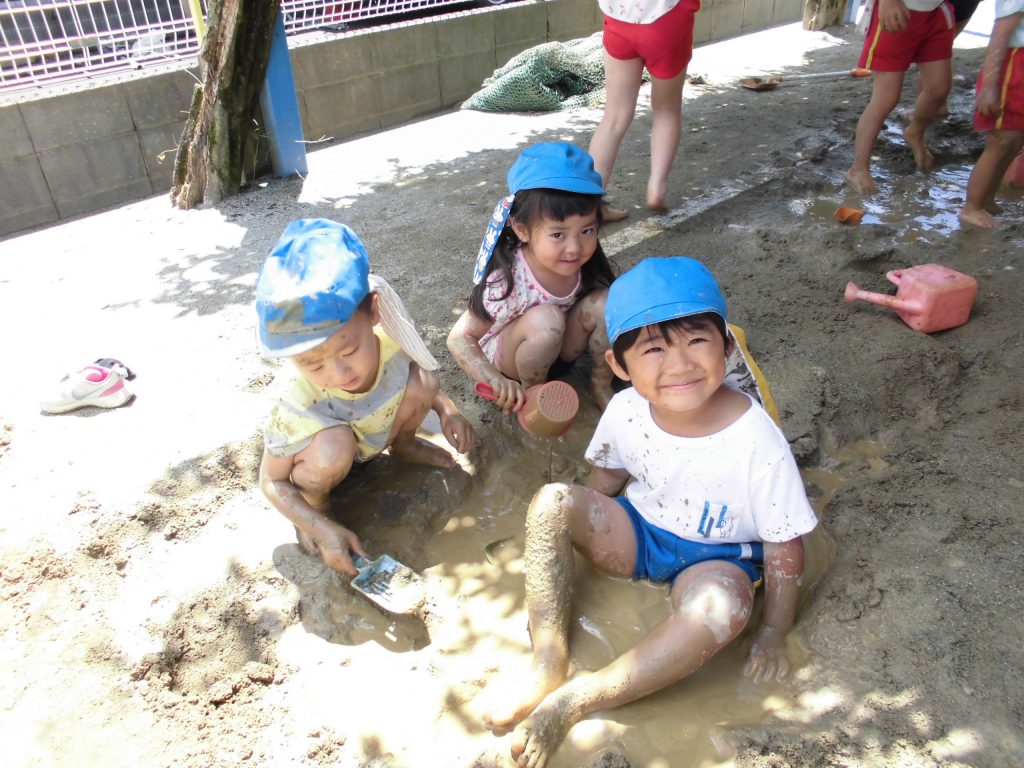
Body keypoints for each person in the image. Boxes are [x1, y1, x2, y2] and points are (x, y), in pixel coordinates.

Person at [478, 257, 818, 768]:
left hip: (717, 559)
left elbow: (785, 544)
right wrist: (580, 530)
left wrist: (774, 631)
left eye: (696, 341)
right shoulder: (625, 410)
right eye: (653, 349)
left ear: (726, 347)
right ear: (619, 366)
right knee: (552, 500)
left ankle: (581, 697)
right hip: (641, 530)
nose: (678, 364)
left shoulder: (756, 439)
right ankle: (549, 658)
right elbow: (608, 479)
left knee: (722, 609)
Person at [256, 219, 476, 576]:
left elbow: (422, 377)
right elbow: (271, 480)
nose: (339, 374)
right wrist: (319, 526)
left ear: (373, 311)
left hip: (378, 430)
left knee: (421, 381)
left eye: (348, 350)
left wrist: (448, 411)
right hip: (329, 455)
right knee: (332, 449)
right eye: (313, 364)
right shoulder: (298, 402)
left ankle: (403, 447)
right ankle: (321, 508)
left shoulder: (392, 336)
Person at [447, 142, 618, 411]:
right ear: (521, 229)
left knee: (608, 302)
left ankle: (600, 383)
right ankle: (533, 400)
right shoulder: (506, 280)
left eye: (587, 231)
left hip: (558, 348)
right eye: (558, 234)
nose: (574, 247)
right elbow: (458, 338)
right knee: (546, 318)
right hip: (514, 360)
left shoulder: (584, 262)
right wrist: (493, 379)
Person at [587, 0, 702, 218]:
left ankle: (591, 203)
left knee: (613, 117)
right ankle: (656, 187)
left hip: (619, 19)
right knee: (666, 109)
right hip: (667, 19)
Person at [846, 0, 956, 194]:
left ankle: (915, 131)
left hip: (935, 11)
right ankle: (858, 168)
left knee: (939, 88)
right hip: (897, 10)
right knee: (886, 98)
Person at [959, 0, 1024, 228]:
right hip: (1013, 67)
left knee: (1014, 141)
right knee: (1000, 141)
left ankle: (987, 199)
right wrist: (989, 87)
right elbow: (999, 36)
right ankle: (972, 206)